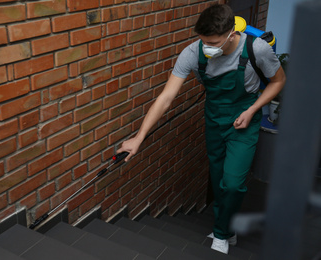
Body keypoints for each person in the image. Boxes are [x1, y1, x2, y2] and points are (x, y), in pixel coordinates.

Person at [116, 4, 286, 255]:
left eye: (214, 42)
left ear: (231, 34)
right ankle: (227, 227)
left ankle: (221, 234)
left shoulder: (256, 49)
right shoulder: (192, 53)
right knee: (218, 180)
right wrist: (138, 138)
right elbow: (166, 97)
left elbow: (279, 81)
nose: (208, 47)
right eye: (203, 40)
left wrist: (252, 111)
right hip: (214, 119)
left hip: (244, 119)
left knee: (232, 183)